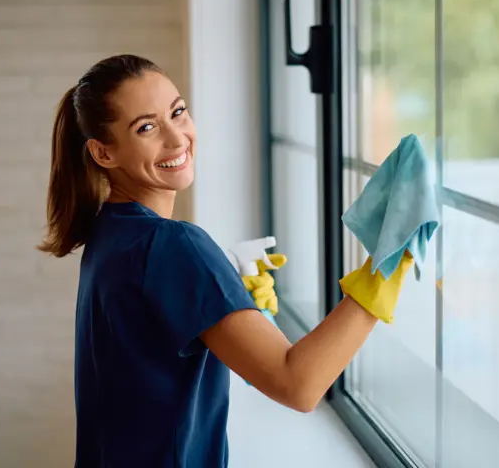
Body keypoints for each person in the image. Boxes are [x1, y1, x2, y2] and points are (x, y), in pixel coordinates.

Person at [38, 54, 413, 468]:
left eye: (177, 112)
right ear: (103, 154)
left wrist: (220, 292)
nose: (176, 139)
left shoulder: (109, 232)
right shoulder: (173, 245)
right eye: (146, 127)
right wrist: (383, 271)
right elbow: (299, 386)